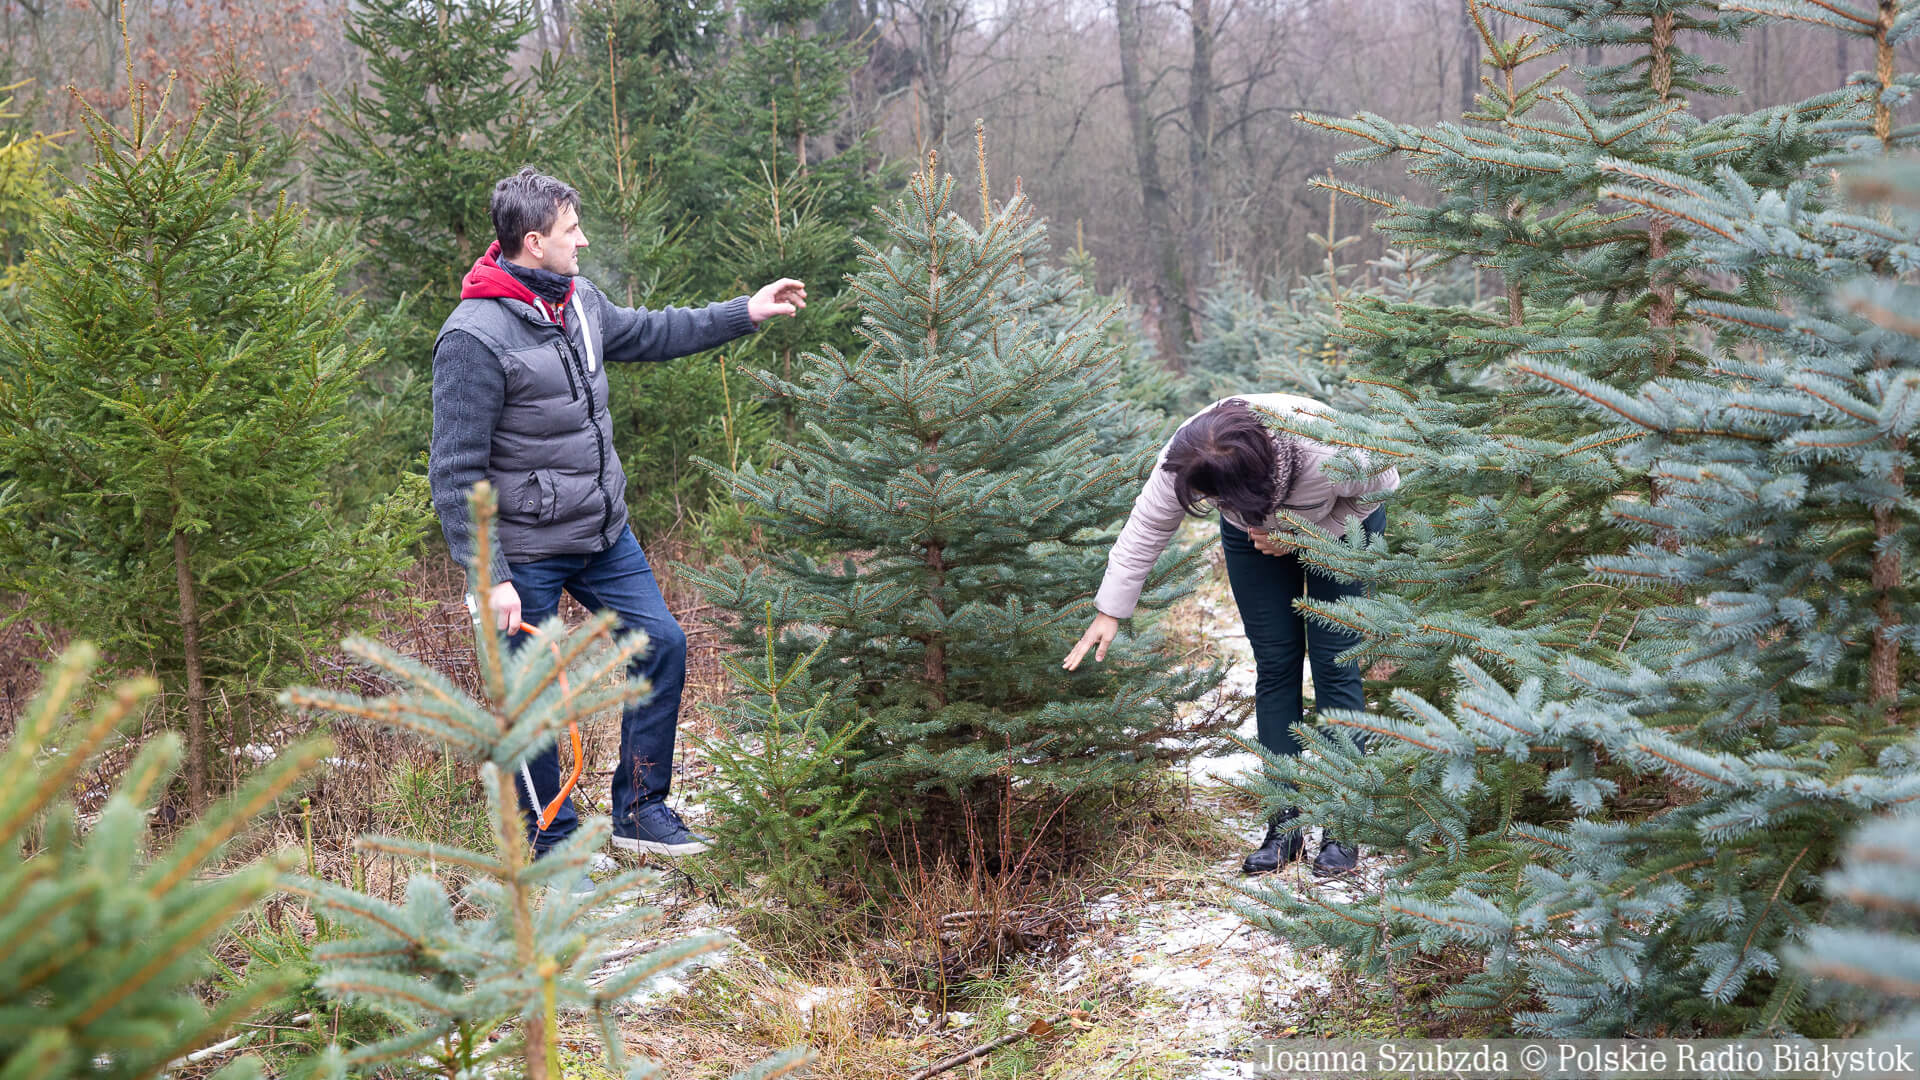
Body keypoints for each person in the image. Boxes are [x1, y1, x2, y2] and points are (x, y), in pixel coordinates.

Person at [429, 167, 807, 860]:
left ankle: (639, 810)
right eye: (572, 230)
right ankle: (552, 845)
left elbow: (651, 331)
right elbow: (455, 473)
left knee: (661, 643)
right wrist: (491, 575)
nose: (583, 240)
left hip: (602, 533)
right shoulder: (473, 338)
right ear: (534, 241)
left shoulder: (578, 302)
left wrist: (744, 312)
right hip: (524, 549)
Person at [1061, 393, 1398, 876]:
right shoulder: (1189, 452)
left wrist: (1302, 534)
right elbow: (1147, 525)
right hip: (1253, 537)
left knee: (1335, 663)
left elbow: (1385, 484)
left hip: (1345, 526)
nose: (1215, 505)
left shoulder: (1331, 450)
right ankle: (1284, 827)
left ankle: (1343, 824)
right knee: (1276, 664)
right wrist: (1110, 611)